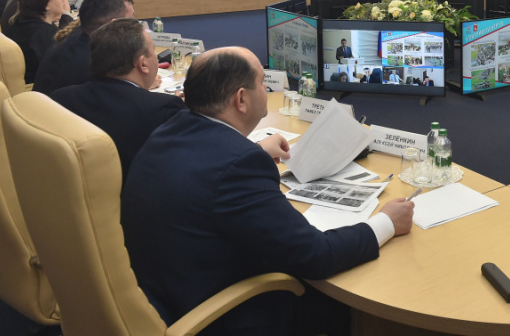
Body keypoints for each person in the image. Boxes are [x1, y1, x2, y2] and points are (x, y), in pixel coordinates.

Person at [121, 48, 414, 335]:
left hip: (163, 294)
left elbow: (207, 168)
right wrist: (387, 222)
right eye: (262, 82)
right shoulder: (238, 166)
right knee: (342, 303)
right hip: (219, 316)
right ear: (241, 99)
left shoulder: (169, 129)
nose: (266, 88)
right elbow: (317, 256)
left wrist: (256, 150)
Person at [50, 18, 186, 182]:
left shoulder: (59, 99)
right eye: (153, 52)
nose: (156, 58)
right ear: (143, 64)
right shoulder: (164, 110)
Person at [33, 0, 136, 96]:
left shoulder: (75, 37)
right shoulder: (95, 60)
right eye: (131, 19)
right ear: (113, 25)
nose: (135, 24)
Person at [3, 0, 69, 83]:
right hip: (39, 87)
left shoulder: (20, 23)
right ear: (46, 5)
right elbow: (60, 70)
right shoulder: (45, 33)